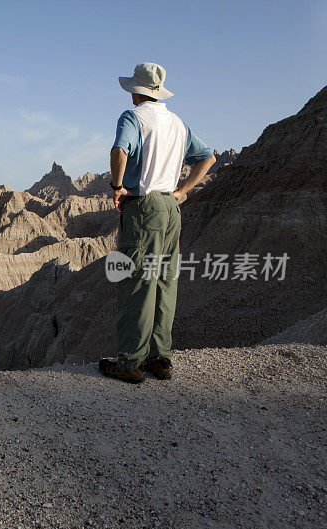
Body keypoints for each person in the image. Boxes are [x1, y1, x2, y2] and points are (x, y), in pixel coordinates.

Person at [99, 62, 216, 383]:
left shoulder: (133, 118)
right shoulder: (177, 123)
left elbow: (119, 150)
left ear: (136, 92)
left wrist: (116, 186)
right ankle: (159, 358)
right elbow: (208, 157)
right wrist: (182, 191)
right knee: (165, 281)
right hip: (170, 208)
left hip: (144, 208)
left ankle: (130, 361)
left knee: (136, 281)